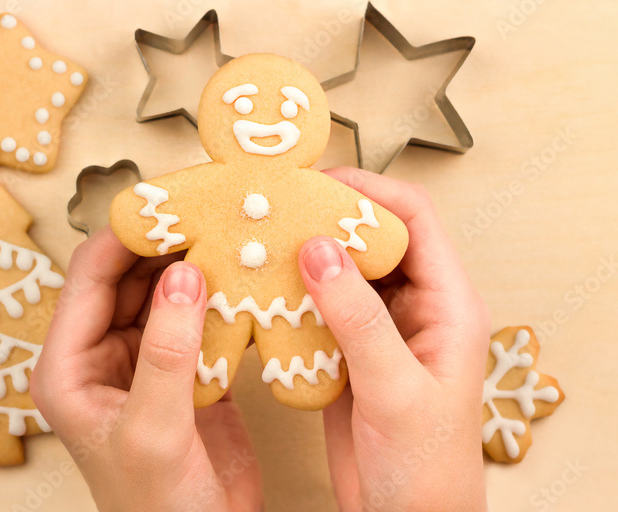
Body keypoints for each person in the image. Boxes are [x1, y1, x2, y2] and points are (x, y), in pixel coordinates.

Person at [30, 167, 490, 511]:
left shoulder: (310, 192)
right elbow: (149, 212)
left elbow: (380, 237)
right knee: (200, 356)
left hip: (296, 301)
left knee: (305, 353)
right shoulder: (216, 183)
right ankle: (206, 370)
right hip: (216, 292)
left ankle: (305, 370)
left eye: (288, 110)